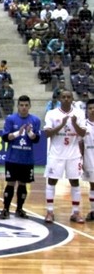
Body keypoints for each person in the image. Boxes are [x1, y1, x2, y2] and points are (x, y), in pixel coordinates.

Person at [43, 89, 86, 224]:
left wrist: (73, 124)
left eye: (69, 97)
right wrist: (62, 124)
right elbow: (47, 134)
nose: (66, 99)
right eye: (64, 97)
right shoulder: (52, 113)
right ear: (60, 99)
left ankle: (75, 212)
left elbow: (83, 134)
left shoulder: (78, 113)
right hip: (56, 154)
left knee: (74, 182)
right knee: (52, 181)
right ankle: (50, 211)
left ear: (72, 99)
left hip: (73, 154)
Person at [0, 95, 42, 219]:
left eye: (26, 105)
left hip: (27, 159)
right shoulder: (11, 119)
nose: (24, 108)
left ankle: (19, 209)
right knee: (10, 183)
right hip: (12, 158)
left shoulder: (35, 120)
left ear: (29, 106)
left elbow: (36, 139)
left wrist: (30, 133)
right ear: (17, 106)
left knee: (23, 184)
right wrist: (18, 133)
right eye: (21, 105)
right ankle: (5, 209)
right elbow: (5, 138)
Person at [80, 98, 94, 221]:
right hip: (89, 158)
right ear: (87, 110)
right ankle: (93, 210)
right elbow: (80, 143)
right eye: (90, 108)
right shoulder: (83, 125)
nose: (92, 110)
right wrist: (82, 159)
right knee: (93, 185)